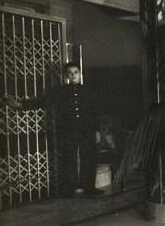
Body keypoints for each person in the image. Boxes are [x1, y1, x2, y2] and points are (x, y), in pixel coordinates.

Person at [9, 62, 103, 197]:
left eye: (76, 72)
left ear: (80, 74)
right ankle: (68, 190)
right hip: (68, 131)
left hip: (86, 131)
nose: (73, 75)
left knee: (88, 158)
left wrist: (97, 131)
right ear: (66, 76)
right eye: (70, 73)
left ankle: (89, 188)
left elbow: (95, 113)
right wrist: (22, 105)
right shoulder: (59, 91)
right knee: (68, 159)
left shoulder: (88, 90)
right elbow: (42, 101)